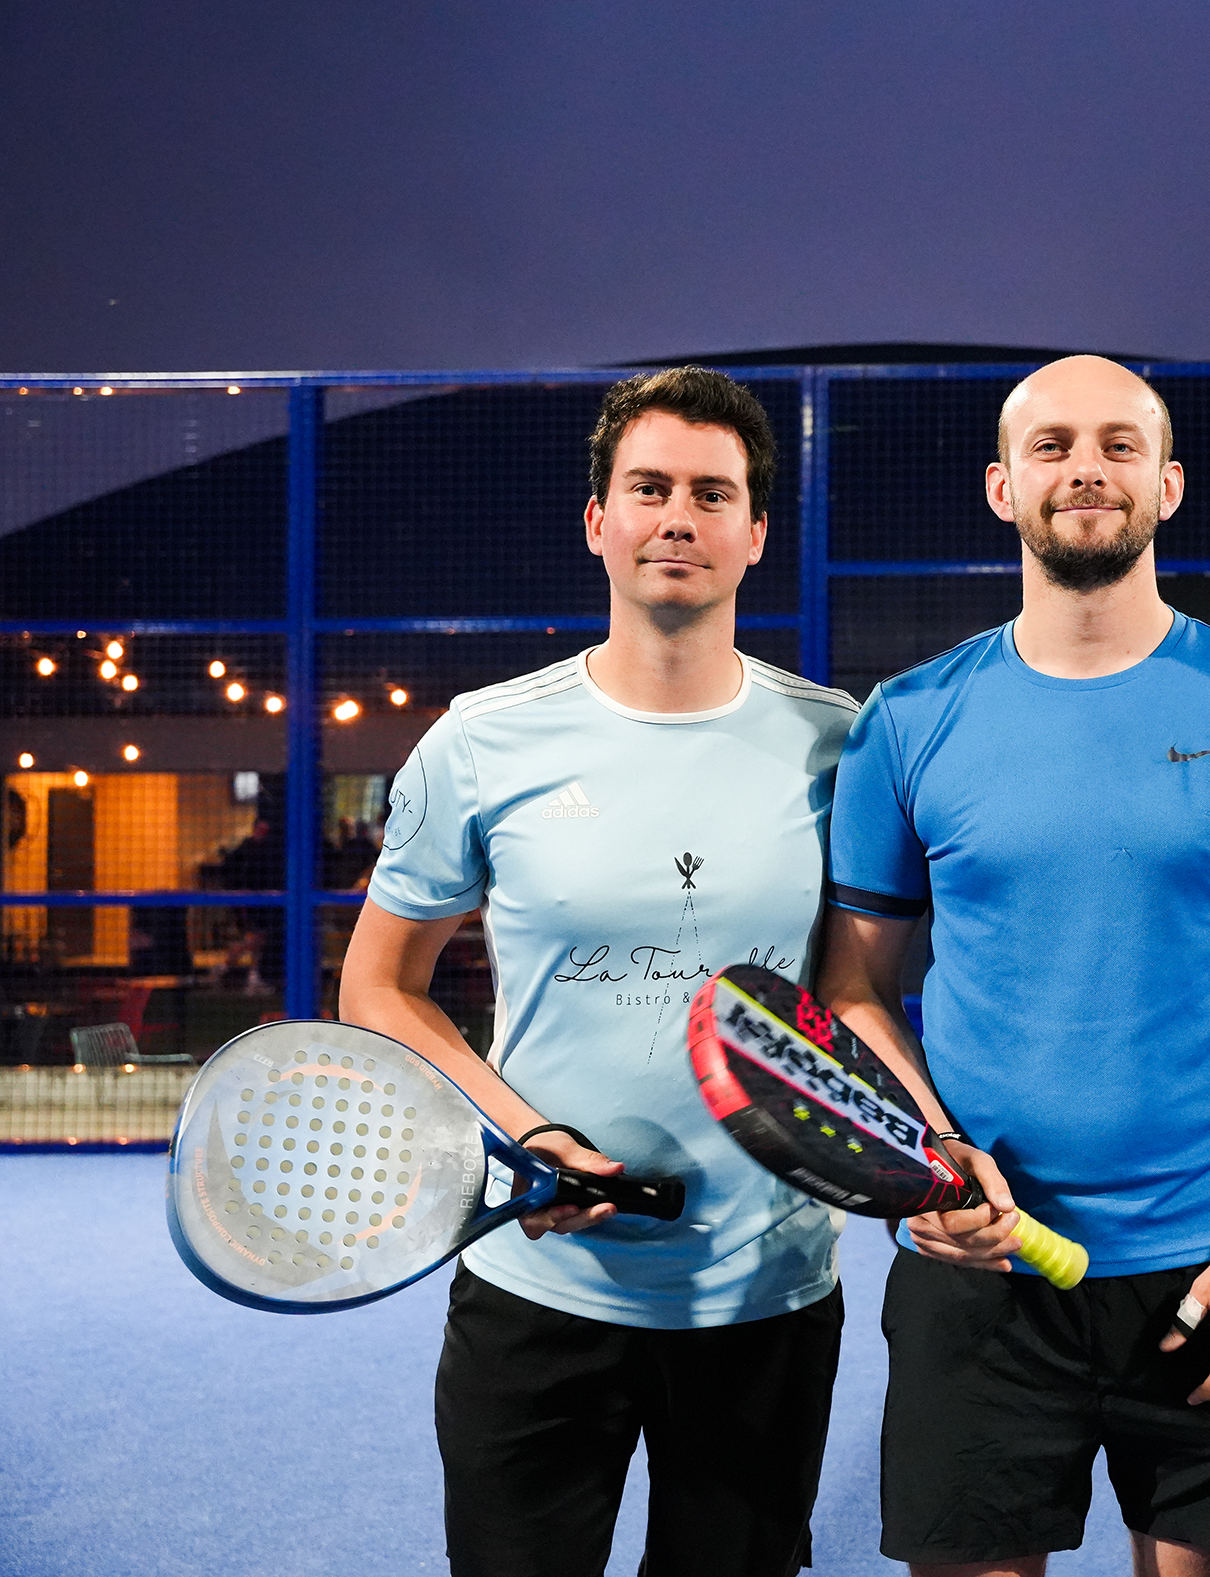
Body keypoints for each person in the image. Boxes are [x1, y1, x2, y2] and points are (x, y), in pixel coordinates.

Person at [817, 354, 1210, 1577]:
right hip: (981, 1271)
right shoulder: (907, 718)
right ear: (1001, 486)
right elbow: (853, 986)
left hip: (1209, 1264)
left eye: (1120, 444)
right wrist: (933, 1157)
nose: (1086, 469)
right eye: (1052, 445)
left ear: (1168, 483)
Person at [340, 366, 857, 1577]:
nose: (678, 516)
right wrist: (528, 1135)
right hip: (537, 1286)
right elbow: (379, 984)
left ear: (756, 533)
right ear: (598, 519)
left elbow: (857, 994)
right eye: (649, 487)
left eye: (712, 493)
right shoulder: (478, 741)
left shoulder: (838, 743)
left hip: (765, 1292)